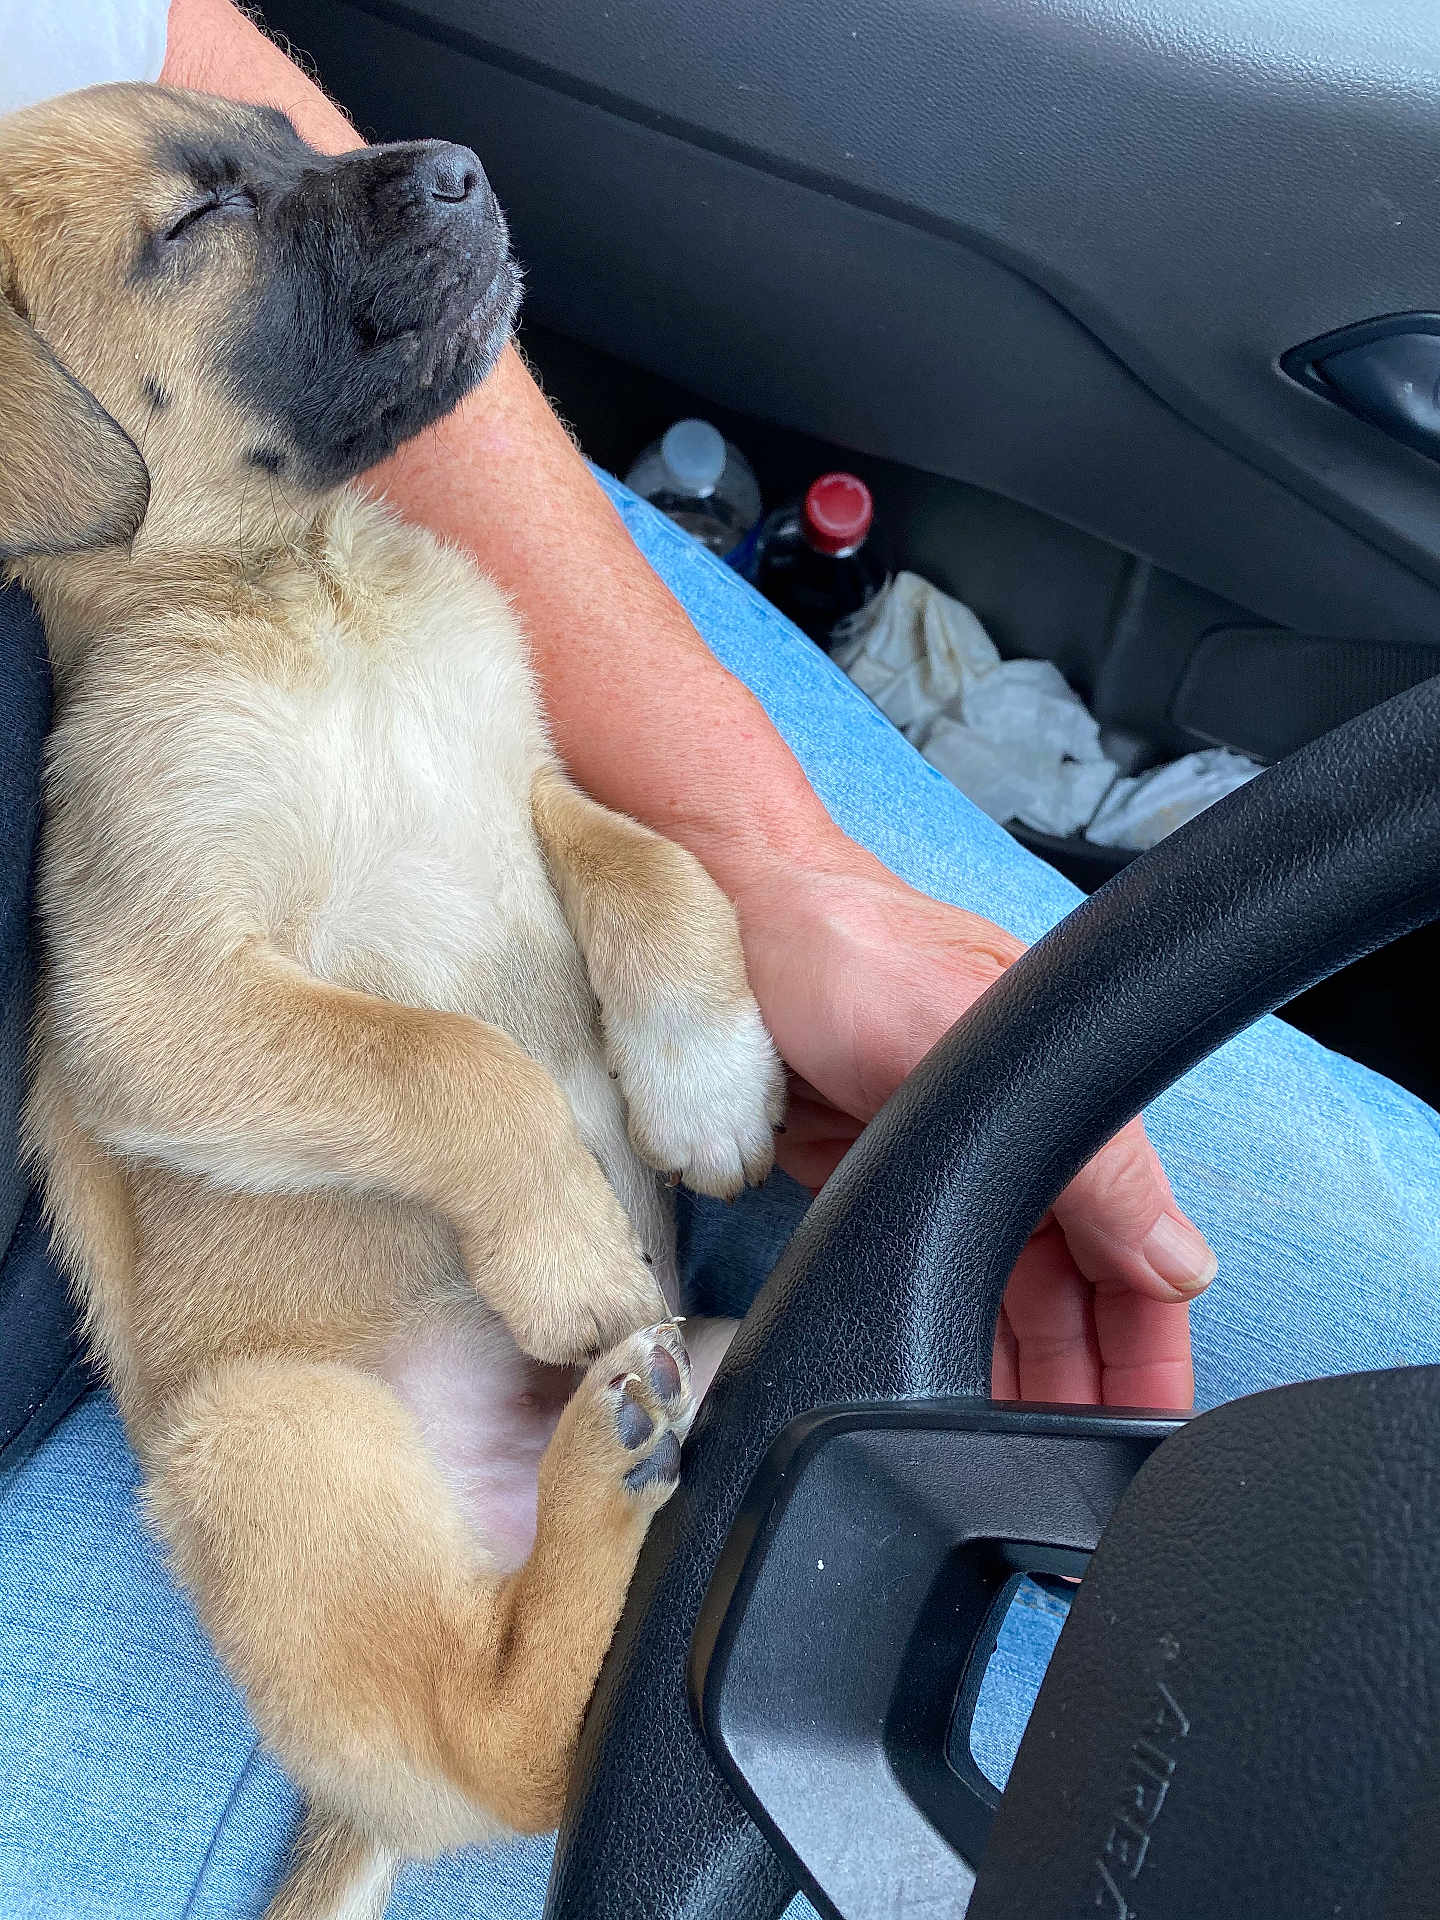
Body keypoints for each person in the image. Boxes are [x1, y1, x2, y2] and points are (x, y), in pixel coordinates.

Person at [1, 5, 1438, 1915]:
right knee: (297, 1479)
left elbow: (537, 802)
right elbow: (161, 1034)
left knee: (1353, 1390)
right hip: (306, 1364)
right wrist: (497, 1142)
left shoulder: (378, 576)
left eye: (266, 163)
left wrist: (740, 874)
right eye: (203, 233)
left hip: (622, 1275)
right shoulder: (152, 711)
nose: (391, 188)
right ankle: (503, 1712)